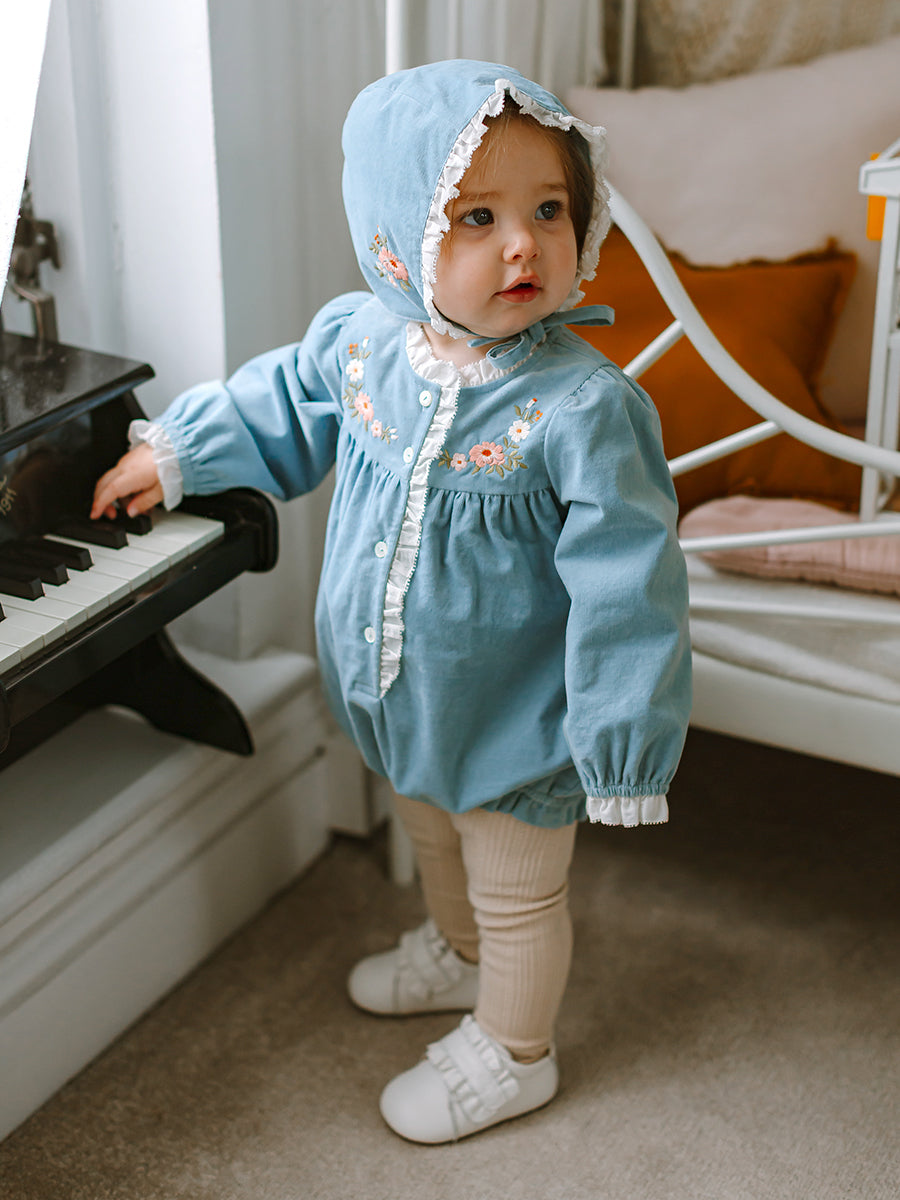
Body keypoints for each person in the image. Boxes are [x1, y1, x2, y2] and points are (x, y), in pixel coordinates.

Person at [92, 60, 692, 1144]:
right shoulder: (365, 343)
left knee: (517, 892)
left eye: (549, 212)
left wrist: (622, 739)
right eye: (479, 218)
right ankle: (457, 956)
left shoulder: (584, 408)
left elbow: (630, 581)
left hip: (517, 724)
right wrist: (177, 455)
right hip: (401, 703)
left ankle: (517, 1051)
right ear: (394, 241)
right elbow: (282, 400)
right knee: (434, 844)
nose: (524, 246)